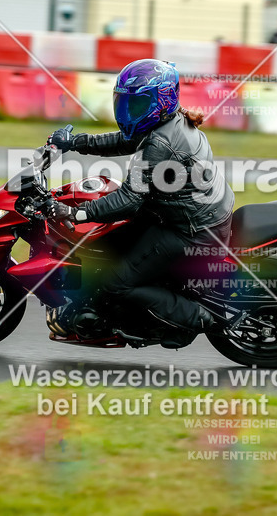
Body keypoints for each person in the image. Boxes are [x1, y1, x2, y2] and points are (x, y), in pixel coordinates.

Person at [44, 59, 235, 345]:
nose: (128, 111)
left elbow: (130, 199)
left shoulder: (161, 143)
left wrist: (77, 214)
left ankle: (198, 316)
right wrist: (75, 143)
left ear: (161, 101)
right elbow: (123, 141)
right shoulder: (168, 123)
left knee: (115, 284)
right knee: (108, 245)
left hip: (191, 231)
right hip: (184, 213)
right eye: (125, 103)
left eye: (136, 105)